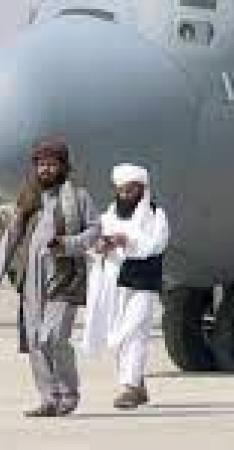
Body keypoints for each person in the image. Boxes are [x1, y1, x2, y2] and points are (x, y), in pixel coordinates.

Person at [0, 137, 99, 417]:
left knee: (54, 336)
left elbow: (95, 231)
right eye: (41, 165)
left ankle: (69, 393)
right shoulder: (28, 199)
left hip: (65, 275)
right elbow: (12, 236)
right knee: (35, 339)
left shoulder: (79, 197)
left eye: (52, 164)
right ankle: (49, 398)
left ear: (63, 166)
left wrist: (69, 244)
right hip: (32, 277)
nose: (46, 170)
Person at [81, 163, 169, 409]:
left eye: (131, 190)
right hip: (112, 284)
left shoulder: (156, 216)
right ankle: (137, 384)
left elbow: (156, 245)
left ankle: (129, 387)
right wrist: (100, 246)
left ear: (142, 190)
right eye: (121, 190)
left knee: (135, 330)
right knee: (118, 334)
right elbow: (92, 247)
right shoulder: (107, 217)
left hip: (142, 282)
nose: (126, 195)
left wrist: (128, 241)